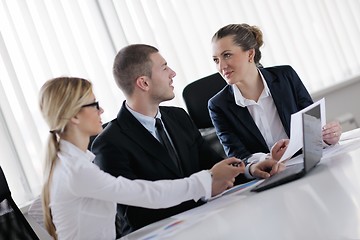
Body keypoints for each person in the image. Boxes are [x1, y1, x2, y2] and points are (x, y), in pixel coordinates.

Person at [91, 44, 287, 236]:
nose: (173, 73)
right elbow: (137, 215)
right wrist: (204, 188)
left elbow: (214, 165)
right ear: (144, 83)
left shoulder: (178, 117)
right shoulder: (109, 144)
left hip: (208, 224)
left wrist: (251, 169)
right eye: (165, 67)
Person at [39, 77, 245, 240]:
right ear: (75, 116)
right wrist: (207, 179)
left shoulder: (71, 162)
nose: (101, 110)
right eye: (94, 105)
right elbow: (146, 194)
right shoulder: (76, 170)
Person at [208, 23, 342, 163]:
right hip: (266, 176)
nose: (221, 66)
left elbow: (312, 130)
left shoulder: (285, 77)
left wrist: (327, 137)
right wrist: (269, 159)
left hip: (304, 163)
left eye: (227, 55)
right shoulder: (218, 105)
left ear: (250, 54)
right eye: (216, 60)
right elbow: (237, 156)